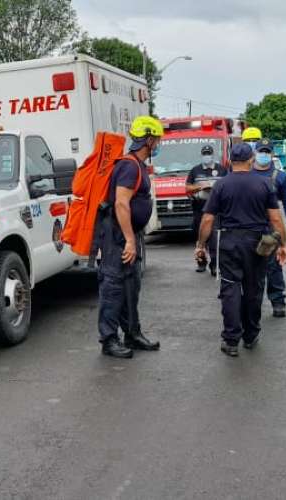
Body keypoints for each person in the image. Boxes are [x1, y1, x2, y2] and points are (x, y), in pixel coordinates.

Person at [196, 143, 286, 357]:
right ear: (250, 160)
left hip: (228, 240)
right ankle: (250, 335)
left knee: (229, 290)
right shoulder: (264, 184)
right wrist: (283, 245)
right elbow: (275, 218)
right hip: (257, 243)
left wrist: (200, 245)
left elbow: (208, 219)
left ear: (230, 161)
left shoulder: (221, 185)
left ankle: (231, 340)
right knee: (254, 289)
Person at [97, 115, 162, 358]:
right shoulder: (129, 166)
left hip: (127, 234)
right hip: (117, 236)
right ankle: (109, 339)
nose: (158, 143)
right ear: (148, 139)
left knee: (130, 286)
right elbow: (121, 205)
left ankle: (132, 334)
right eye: (156, 139)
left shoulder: (138, 165)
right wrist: (130, 240)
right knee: (113, 287)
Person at [251, 139, 286, 317]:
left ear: (272, 154)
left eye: (267, 151)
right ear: (255, 153)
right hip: (249, 225)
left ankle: (278, 300)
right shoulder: (246, 173)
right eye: (261, 151)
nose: (263, 155)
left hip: (271, 226)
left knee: (273, 266)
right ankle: (250, 302)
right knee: (250, 267)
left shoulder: (280, 176)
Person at [187, 144, 228, 274]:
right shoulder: (195, 170)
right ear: (201, 155)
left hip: (217, 208)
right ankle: (201, 262)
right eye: (204, 154)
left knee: (215, 237)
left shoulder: (222, 170)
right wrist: (200, 186)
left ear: (212, 155)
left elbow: (228, 185)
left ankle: (215, 265)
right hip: (200, 206)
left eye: (208, 154)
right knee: (200, 236)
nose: (207, 156)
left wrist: (215, 187)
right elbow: (187, 188)